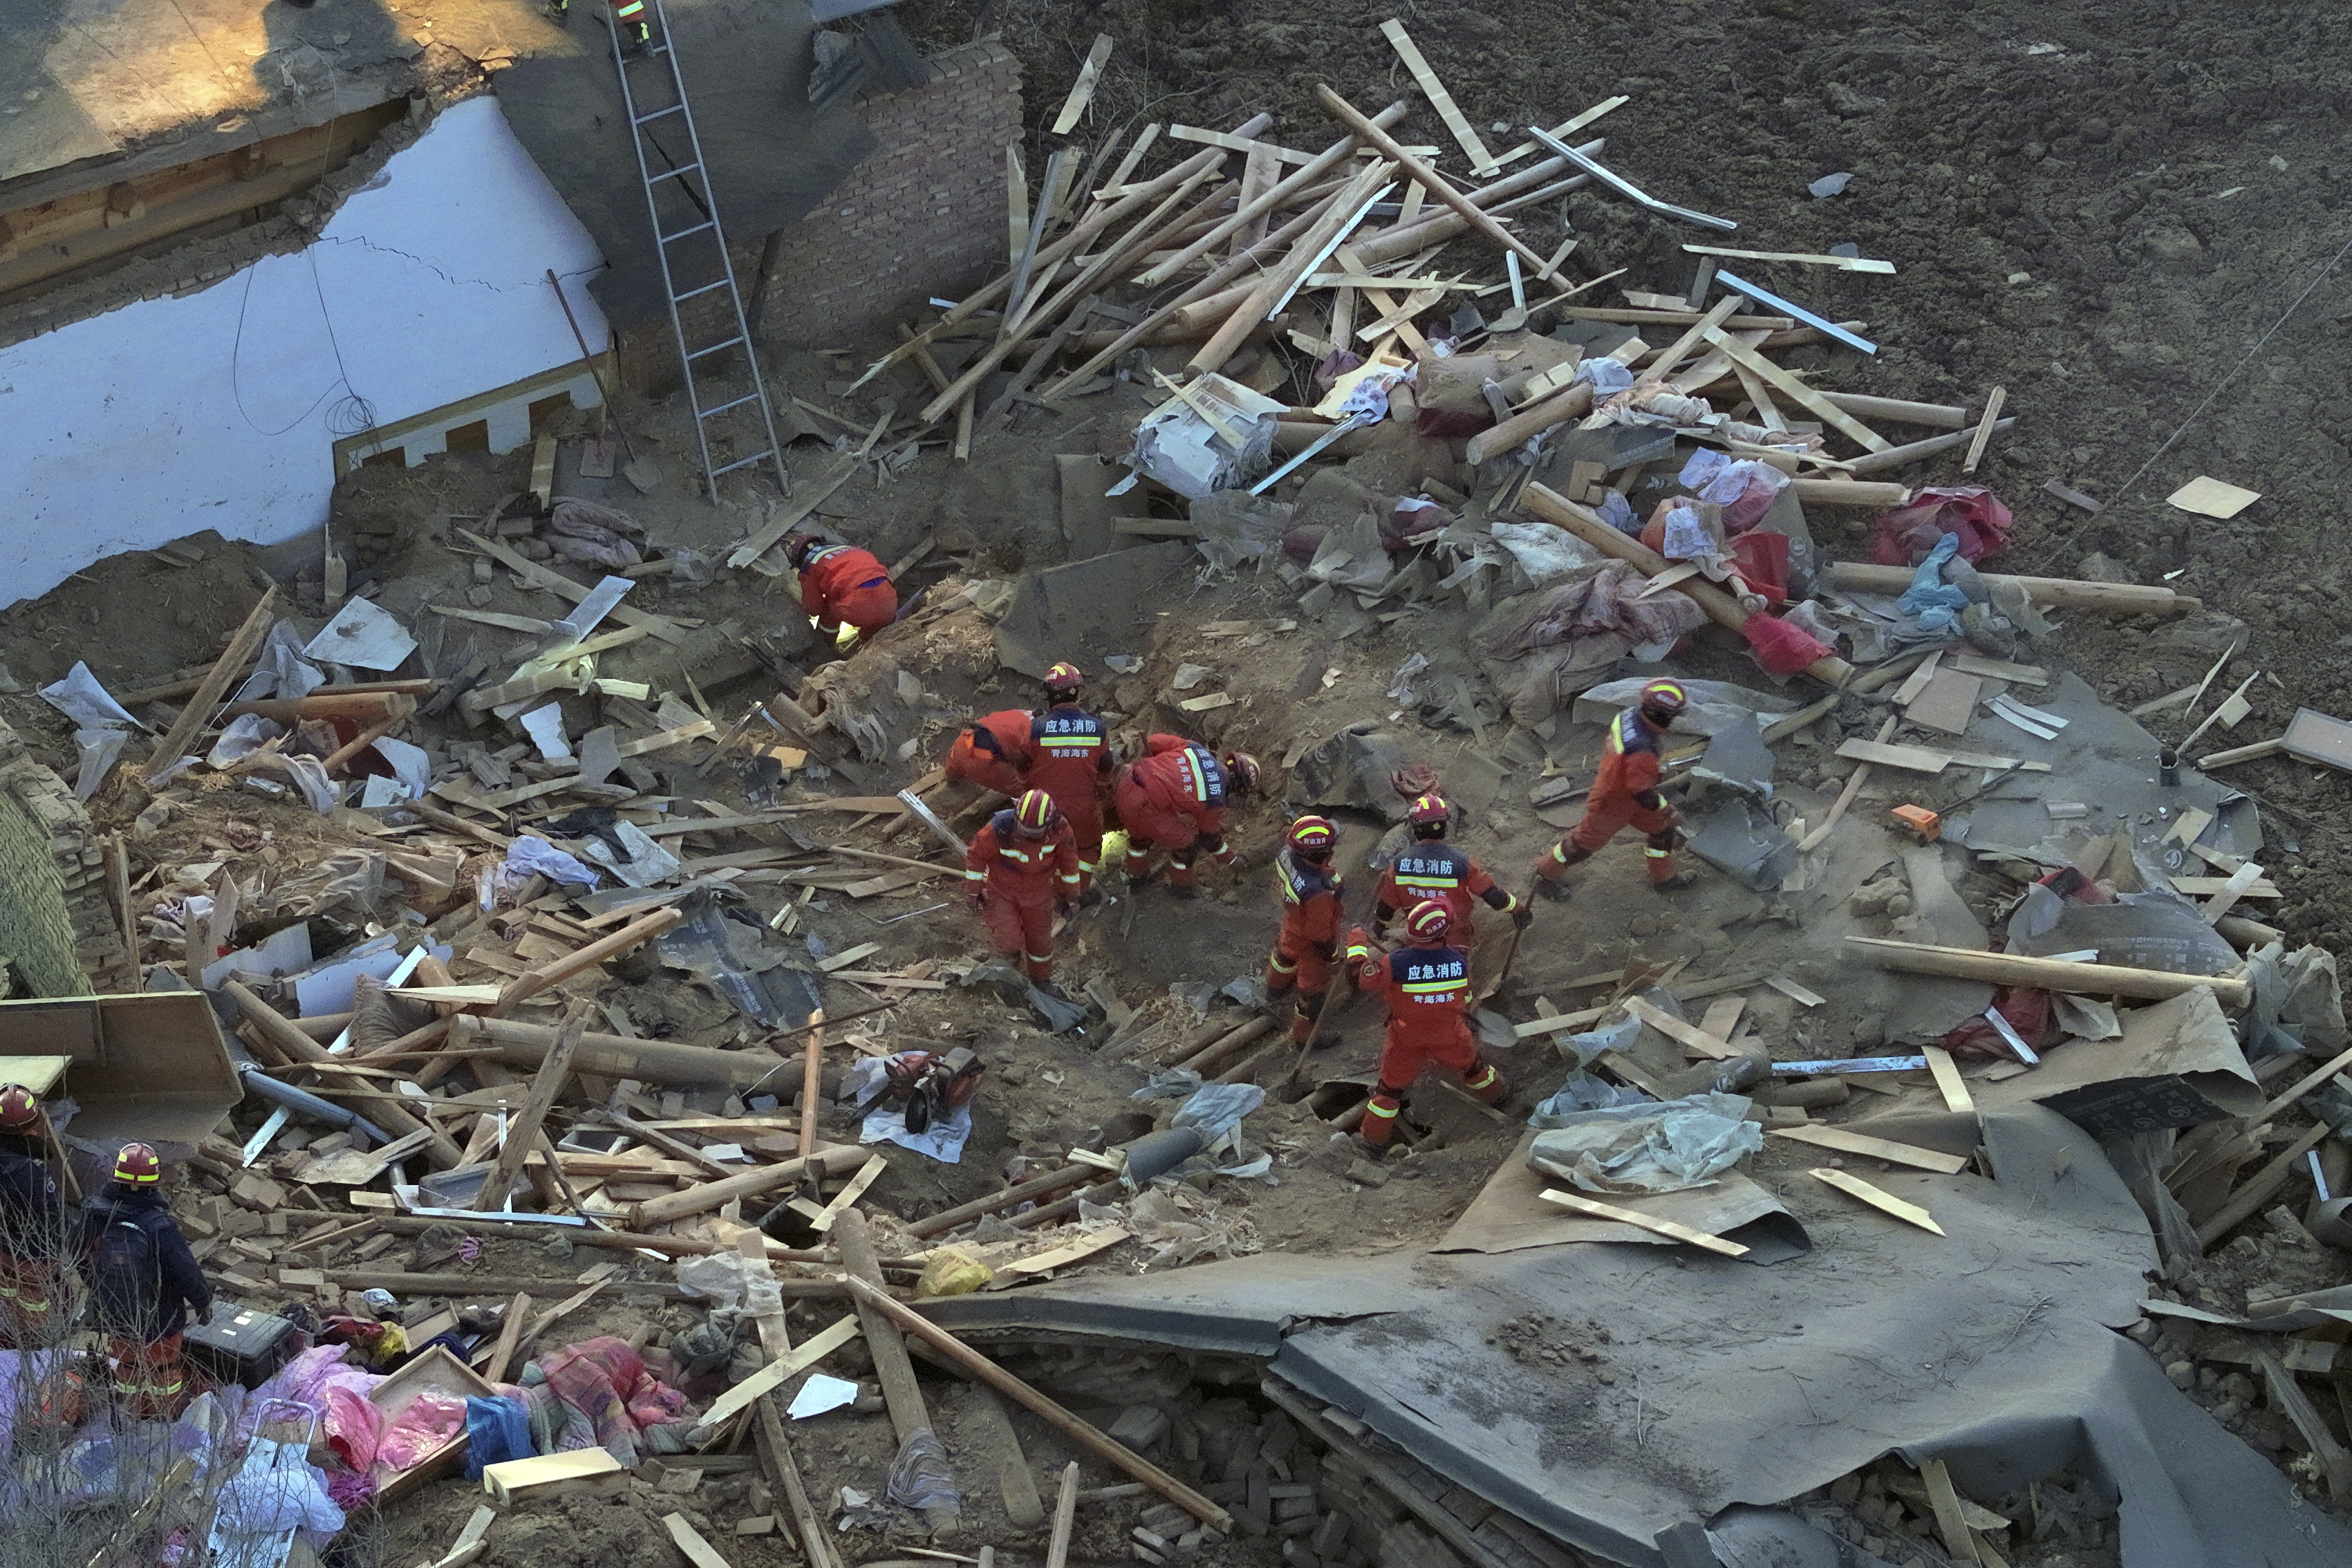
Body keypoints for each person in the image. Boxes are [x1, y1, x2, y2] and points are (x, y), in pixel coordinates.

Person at [1343, 901, 1506, 1154]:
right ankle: (1499, 1096)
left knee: (1389, 1091)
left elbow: (1358, 978)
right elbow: (1464, 997)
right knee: (1474, 1068)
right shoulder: (1459, 962)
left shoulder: (1394, 963)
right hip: (1450, 1033)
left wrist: (1356, 943)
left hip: (1406, 1038)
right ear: (1444, 932)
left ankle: (1371, 1143)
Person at [1533, 678, 1697, 896]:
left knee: (1663, 831)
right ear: (1663, 716)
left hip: (1624, 791)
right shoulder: (1643, 751)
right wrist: (1669, 810)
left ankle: (1664, 879)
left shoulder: (1628, 716)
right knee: (1579, 847)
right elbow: (1642, 793)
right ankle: (1544, 876)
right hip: (1612, 803)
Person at [85, 1143, 212, 1421]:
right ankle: (162, 1422)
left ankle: (132, 1417)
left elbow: (80, 1257)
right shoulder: (159, 1225)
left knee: (128, 1372)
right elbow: (186, 1271)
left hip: (117, 1318)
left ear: (115, 1175)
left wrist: (99, 1293)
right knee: (163, 1376)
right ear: (154, 1181)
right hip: (161, 1321)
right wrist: (203, 1302)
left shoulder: (95, 1216)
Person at [964, 790, 1081, 990]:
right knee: (1009, 940)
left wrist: (1071, 897)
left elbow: (1069, 865)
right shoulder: (998, 830)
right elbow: (977, 857)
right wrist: (973, 892)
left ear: (1050, 823)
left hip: (1039, 895)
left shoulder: (1061, 831)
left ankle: (1042, 981)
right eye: (1026, 833)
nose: (1030, 839)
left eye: (1036, 835)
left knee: (1041, 944)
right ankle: (1011, 960)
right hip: (1002, 891)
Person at [1114, 735, 1258, 897]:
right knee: (1188, 846)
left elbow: (1154, 741)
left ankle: (1136, 876)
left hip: (1125, 783)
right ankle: (1182, 888)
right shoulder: (1215, 800)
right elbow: (1209, 838)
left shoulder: (1195, 748)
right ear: (1238, 787)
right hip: (1145, 808)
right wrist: (1231, 859)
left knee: (1140, 838)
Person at [1374, 794, 1530, 940]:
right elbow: (1493, 896)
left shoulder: (1400, 864)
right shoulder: (1462, 862)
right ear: (1444, 827)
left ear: (1415, 829)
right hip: (1455, 936)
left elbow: (1386, 906)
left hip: (1419, 936)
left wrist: (1380, 927)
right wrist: (1518, 910)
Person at [1026, 664, 1114, 897]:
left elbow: (1023, 766)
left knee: (1046, 847)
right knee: (1087, 849)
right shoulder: (1098, 728)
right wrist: (1103, 789)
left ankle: (1049, 893)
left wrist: (1027, 793)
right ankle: (1077, 894)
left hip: (1045, 808)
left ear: (1050, 694)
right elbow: (1106, 765)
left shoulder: (1036, 728)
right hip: (1085, 807)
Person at [0, 1085, 75, 1350]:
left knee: (9, 1288)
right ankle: (36, 1341)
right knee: (36, 1299)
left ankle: (11, 1329)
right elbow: (54, 1216)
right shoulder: (31, 1173)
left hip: (5, 1246)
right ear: (33, 1126)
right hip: (34, 1253)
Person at [1264, 816, 1345, 1049]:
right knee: (1313, 991)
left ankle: (1274, 990)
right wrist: (1330, 956)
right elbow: (1320, 936)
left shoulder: (1286, 855)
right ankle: (1304, 1037)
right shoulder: (1319, 893)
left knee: (1284, 954)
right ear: (1319, 855)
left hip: (1293, 919)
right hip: (1311, 938)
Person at [785, 532, 898, 648]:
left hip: (857, 608)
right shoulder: (850, 549)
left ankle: (827, 647)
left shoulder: (809, 566)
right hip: (889, 600)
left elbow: (815, 608)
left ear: (798, 560)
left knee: (828, 610)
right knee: (875, 632)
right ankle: (869, 643)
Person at [944, 709, 1035, 798]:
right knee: (1022, 790)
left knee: (954, 763)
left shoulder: (1022, 713)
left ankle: (951, 780)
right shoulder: (1036, 737)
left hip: (966, 739)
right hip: (983, 763)